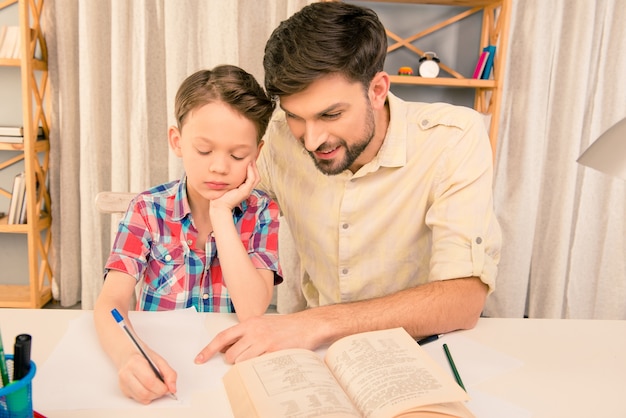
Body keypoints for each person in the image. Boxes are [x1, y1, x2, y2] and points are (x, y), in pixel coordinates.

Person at [195, 1, 501, 365]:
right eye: (295, 116)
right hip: (317, 354)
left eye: (331, 114)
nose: (311, 140)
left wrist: (314, 323)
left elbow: (463, 299)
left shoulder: (452, 138)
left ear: (377, 90)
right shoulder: (277, 140)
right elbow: (214, 203)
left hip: (426, 349)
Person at [93, 65, 280, 403]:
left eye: (238, 155)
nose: (219, 167)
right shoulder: (147, 209)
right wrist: (128, 357)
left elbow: (253, 310)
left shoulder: (262, 212)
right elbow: (111, 302)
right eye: (204, 151)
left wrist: (222, 213)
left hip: (229, 372)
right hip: (162, 364)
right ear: (177, 141)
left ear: (257, 153)